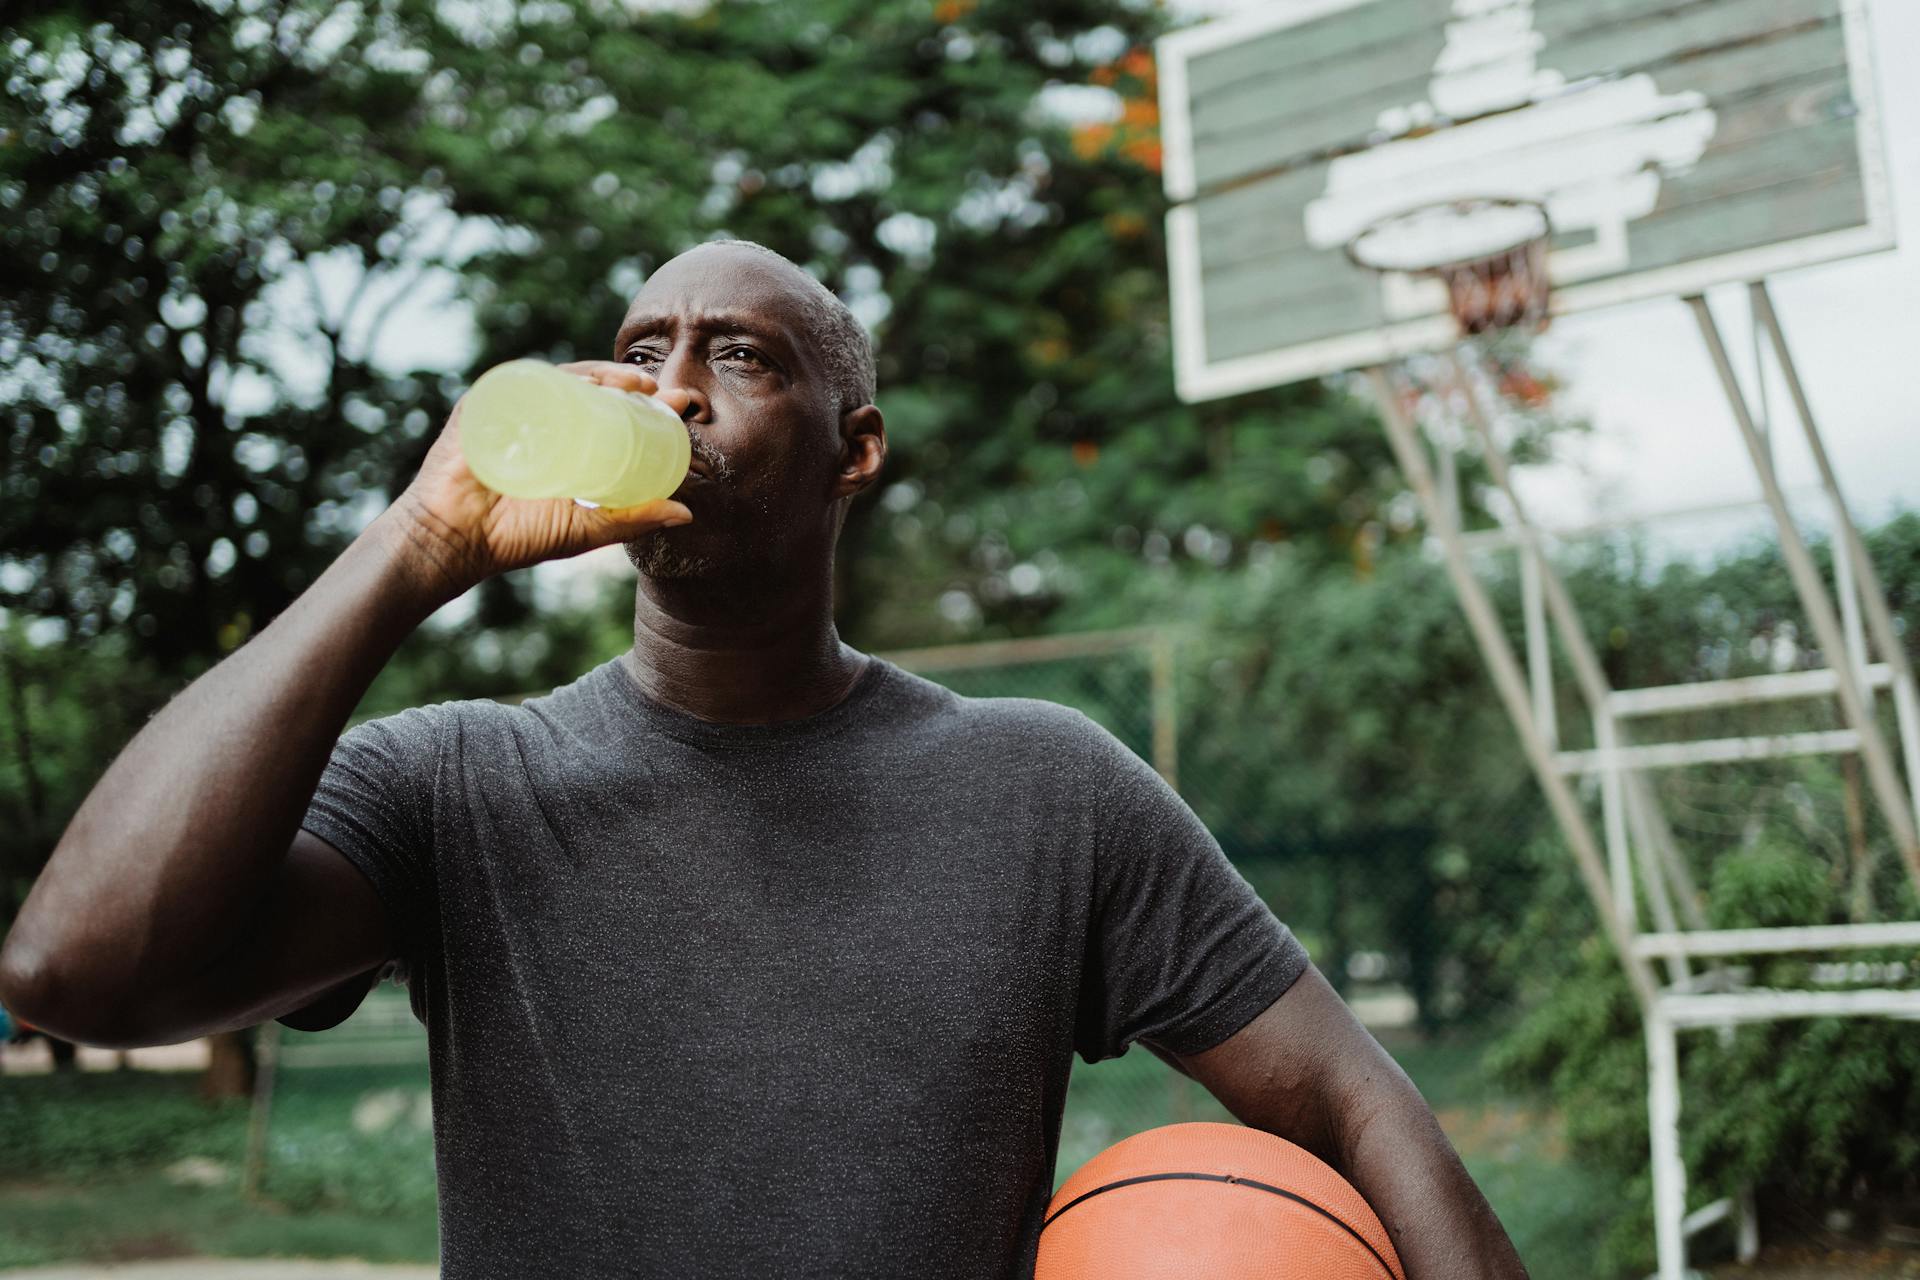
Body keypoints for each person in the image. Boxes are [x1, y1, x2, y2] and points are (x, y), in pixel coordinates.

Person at [0, 241, 1528, 1278]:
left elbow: (1353, 1101)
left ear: (854, 446)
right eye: (641, 354)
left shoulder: (1047, 790)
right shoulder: (455, 786)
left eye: (739, 356)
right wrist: (412, 547)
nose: (674, 390)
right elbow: (78, 972)